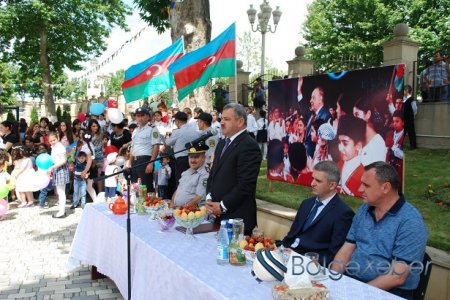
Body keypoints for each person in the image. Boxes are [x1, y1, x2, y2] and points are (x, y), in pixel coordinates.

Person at [332, 162, 428, 299]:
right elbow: (347, 248)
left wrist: (357, 293)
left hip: (390, 292)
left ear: (385, 187)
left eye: (366, 185)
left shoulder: (411, 221)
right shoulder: (365, 210)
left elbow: (397, 277)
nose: (359, 189)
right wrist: (333, 281)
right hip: (353, 282)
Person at [279, 161, 354, 265]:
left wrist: (300, 258)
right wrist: (280, 247)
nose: (312, 183)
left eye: (318, 181)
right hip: (286, 253)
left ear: (332, 185)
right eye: (312, 178)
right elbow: (292, 235)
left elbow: (334, 255)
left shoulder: (343, 213)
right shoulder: (306, 203)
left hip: (309, 264)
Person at [205, 103, 262, 235]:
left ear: (240, 121)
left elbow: (245, 184)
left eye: (227, 119)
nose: (222, 123)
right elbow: (213, 174)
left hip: (237, 219)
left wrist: (222, 206)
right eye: (221, 119)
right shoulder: (222, 143)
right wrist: (209, 198)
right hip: (218, 215)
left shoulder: (248, 146)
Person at [129, 107, 162, 193]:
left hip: (145, 160)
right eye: (137, 116)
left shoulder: (152, 128)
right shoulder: (135, 130)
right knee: (135, 187)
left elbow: (156, 146)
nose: (140, 118)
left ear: (148, 117)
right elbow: (133, 147)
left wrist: (151, 163)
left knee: (146, 188)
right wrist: (129, 163)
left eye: (142, 115)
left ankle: (148, 206)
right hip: (135, 161)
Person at [165, 111, 201, 186]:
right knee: (193, 182)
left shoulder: (177, 132)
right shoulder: (195, 131)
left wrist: (166, 137)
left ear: (177, 121)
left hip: (182, 161)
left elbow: (167, 143)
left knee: (181, 182)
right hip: (195, 159)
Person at [298, 81, 332, 157]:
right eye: (311, 98)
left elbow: (326, 142)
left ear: (320, 99)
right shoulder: (313, 115)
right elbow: (303, 109)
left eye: (313, 97)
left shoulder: (326, 116)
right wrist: (299, 90)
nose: (310, 100)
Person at [336, 115, 366, 197]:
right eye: (339, 142)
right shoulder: (340, 164)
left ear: (358, 145)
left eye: (345, 143)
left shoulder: (364, 174)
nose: (340, 148)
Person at [47, 132, 70, 218]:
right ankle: (61, 210)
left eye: (54, 140)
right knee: (60, 192)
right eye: (50, 140)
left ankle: (61, 212)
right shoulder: (54, 146)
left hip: (60, 169)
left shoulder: (60, 147)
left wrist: (52, 167)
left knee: (61, 192)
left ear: (57, 138)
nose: (52, 142)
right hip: (57, 169)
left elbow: (63, 160)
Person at [402, 84, 417, 150]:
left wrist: (412, 116)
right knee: (403, 132)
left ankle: (413, 145)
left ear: (407, 90)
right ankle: (400, 144)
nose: (403, 92)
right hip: (403, 118)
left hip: (409, 118)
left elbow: (414, 109)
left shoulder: (411, 99)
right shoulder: (403, 99)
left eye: (404, 90)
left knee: (411, 131)